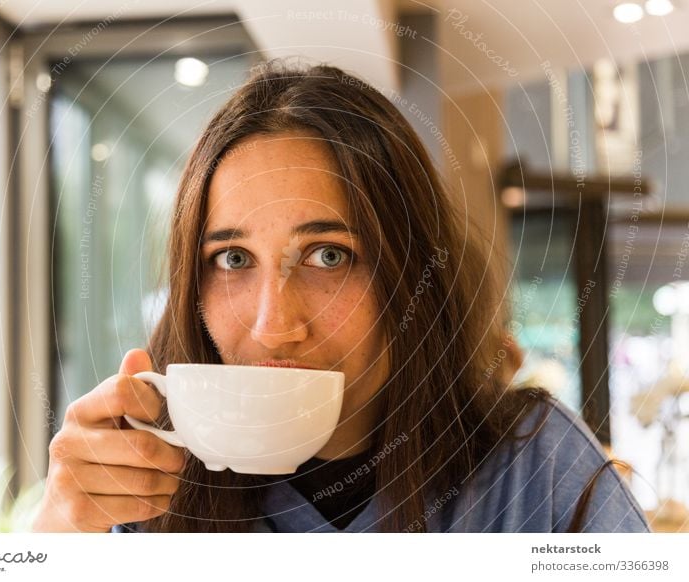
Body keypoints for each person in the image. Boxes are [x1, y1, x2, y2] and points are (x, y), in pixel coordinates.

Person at [32, 59, 650, 533]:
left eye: (329, 255)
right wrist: (57, 529)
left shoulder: (533, 473)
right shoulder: (143, 481)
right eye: (232, 258)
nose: (275, 326)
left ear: (411, 275)